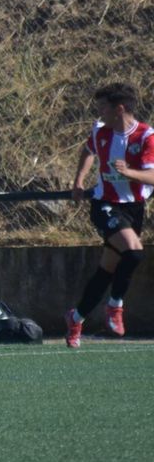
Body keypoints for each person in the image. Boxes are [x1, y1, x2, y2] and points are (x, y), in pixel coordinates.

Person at [65, 82, 153, 348]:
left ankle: (76, 317)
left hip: (133, 208)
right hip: (105, 204)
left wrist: (128, 173)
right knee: (134, 252)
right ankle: (115, 306)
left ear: (119, 109)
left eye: (103, 107)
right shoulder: (100, 132)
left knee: (107, 270)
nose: (99, 112)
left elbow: (152, 175)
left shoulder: (145, 136)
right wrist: (79, 180)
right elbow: (88, 151)